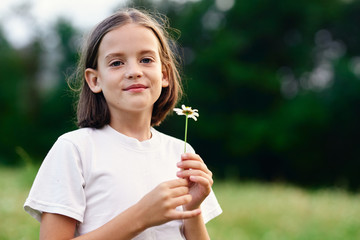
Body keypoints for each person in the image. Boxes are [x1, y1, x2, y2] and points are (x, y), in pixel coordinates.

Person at [24, 8, 222, 240]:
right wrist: (141, 216)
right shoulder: (75, 149)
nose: (134, 72)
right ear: (95, 80)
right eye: (117, 63)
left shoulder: (181, 152)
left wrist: (192, 208)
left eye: (146, 60)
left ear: (165, 74)